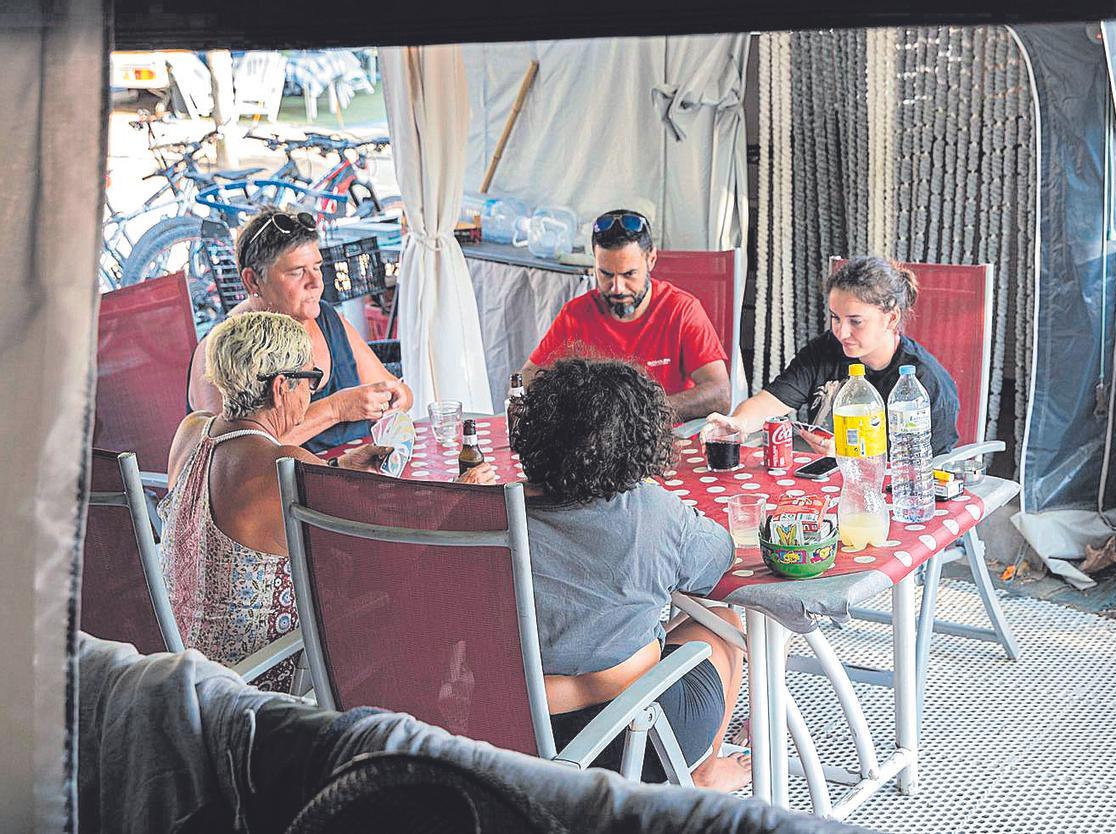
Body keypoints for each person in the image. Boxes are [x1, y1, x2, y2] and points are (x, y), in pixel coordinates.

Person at [161, 313, 495, 692]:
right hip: (256, 676)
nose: (313, 393)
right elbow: (395, 539)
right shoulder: (284, 466)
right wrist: (462, 491)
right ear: (280, 387)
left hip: (188, 662)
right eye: (311, 380)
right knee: (420, 593)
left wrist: (336, 467)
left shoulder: (192, 431)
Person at [509, 357, 751, 792]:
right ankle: (704, 773)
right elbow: (718, 559)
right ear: (640, 442)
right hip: (642, 743)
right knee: (724, 626)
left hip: (515, 733)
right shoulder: (654, 510)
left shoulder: (492, 514)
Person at [188, 208, 413, 453]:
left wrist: (396, 396)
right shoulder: (223, 349)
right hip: (286, 488)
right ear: (252, 280)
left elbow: (398, 391)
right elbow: (229, 452)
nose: (316, 283)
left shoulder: (327, 319)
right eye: (297, 272)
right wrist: (336, 409)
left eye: (317, 267)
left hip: (355, 474)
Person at [707, 256, 960, 455]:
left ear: (891, 318)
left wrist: (851, 455)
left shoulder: (925, 383)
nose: (842, 332)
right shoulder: (825, 350)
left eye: (856, 321)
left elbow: (928, 468)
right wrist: (739, 423)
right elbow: (771, 400)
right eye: (835, 318)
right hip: (824, 486)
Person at [519, 209, 731, 422]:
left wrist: (643, 411)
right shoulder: (575, 315)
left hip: (664, 438)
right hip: (595, 441)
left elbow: (720, 394)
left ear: (651, 260)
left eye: (629, 274)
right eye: (606, 274)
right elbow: (528, 378)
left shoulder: (682, 310)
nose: (617, 288)